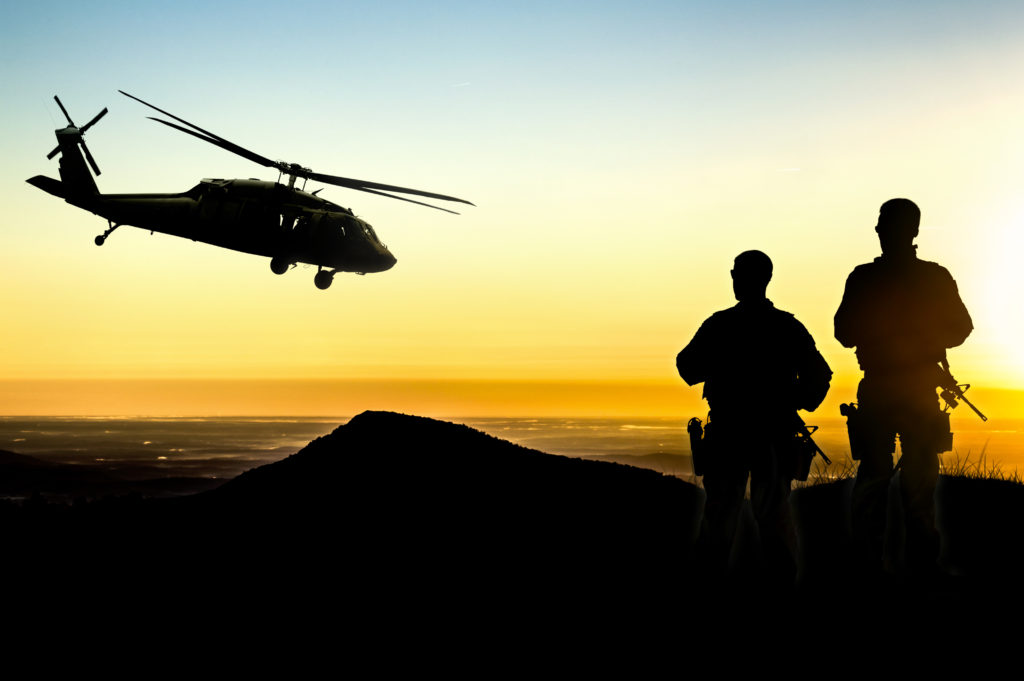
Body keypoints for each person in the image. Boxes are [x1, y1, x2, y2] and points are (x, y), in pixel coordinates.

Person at [834, 198, 973, 577]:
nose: (883, 232)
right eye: (882, 225)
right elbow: (960, 328)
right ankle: (914, 568)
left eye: (886, 225)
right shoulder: (931, 277)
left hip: (887, 389)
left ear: (908, 231)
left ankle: (875, 567)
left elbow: (844, 332)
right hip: (906, 389)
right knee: (912, 479)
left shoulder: (866, 277)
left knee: (891, 479)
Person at [677, 250, 832, 584]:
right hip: (770, 436)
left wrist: (723, 365)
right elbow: (820, 376)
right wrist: (794, 401)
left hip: (733, 435)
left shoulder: (720, 325)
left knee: (721, 514)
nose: (735, 280)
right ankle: (780, 584)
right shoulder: (787, 327)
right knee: (772, 514)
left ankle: (709, 582)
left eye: (737, 274)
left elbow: (687, 367)